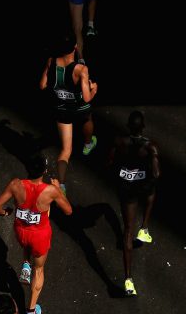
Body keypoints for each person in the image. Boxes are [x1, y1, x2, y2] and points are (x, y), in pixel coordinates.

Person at [0, 154, 72, 314]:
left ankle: (26, 264)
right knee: (39, 269)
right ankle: (31, 311)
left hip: (21, 231)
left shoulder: (15, 184)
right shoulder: (50, 191)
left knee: (26, 244)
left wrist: (6, 212)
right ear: (44, 170)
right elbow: (68, 211)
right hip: (40, 236)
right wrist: (59, 189)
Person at [107, 111, 160, 296]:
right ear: (143, 126)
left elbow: (111, 161)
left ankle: (128, 279)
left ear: (129, 126)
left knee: (127, 231)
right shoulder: (150, 146)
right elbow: (156, 173)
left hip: (126, 189)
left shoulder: (119, 142)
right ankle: (144, 228)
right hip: (141, 187)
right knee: (152, 191)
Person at [38, 35, 98, 191]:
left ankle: (61, 184)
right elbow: (86, 98)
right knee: (87, 118)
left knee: (66, 150)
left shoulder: (52, 61)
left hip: (62, 109)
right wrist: (94, 89)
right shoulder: (80, 69)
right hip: (79, 108)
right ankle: (87, 143)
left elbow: (42, 85)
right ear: (75, 47)